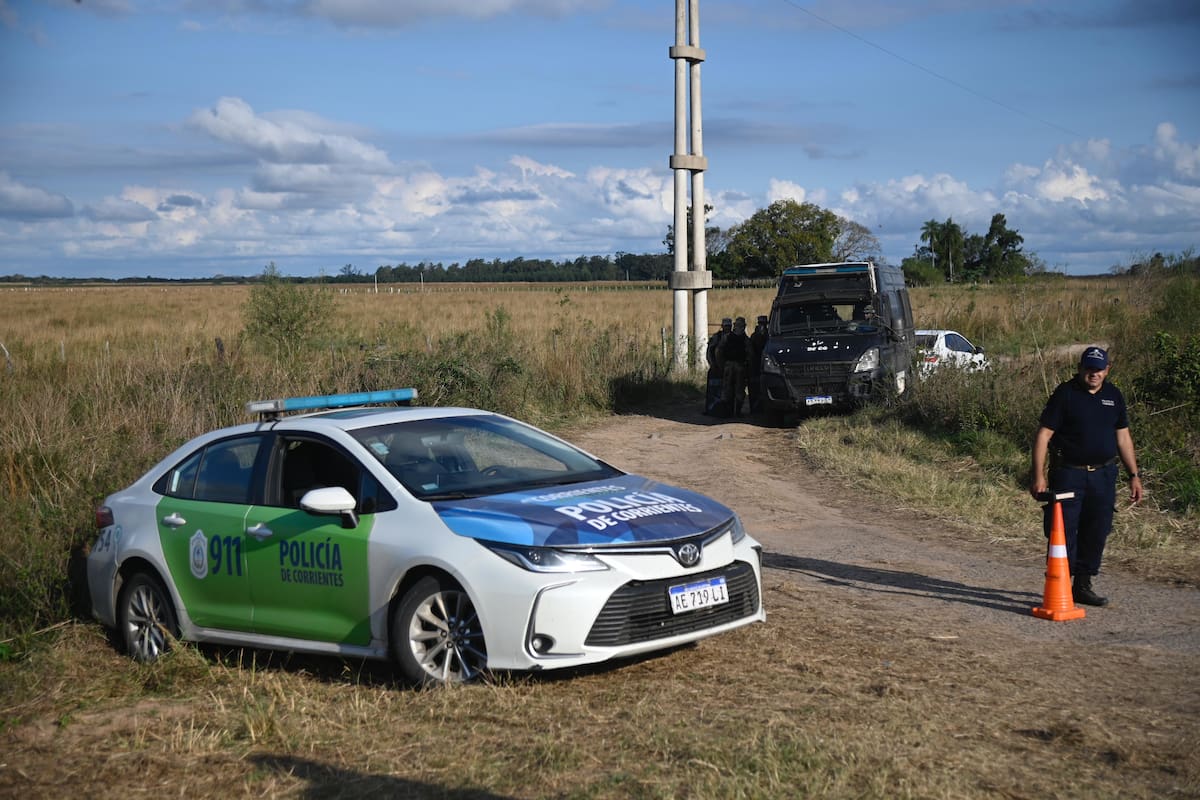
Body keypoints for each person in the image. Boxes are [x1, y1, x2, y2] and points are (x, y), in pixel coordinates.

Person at [1030, 346, 1143, 606]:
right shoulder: (1065, 394)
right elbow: (1043, 435)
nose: (1094, 374)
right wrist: (1038, 475)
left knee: (1097, 530)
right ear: (1080, 368)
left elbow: (1123, 436)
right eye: (1089, 368)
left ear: (1107, 370)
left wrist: (1133, 475)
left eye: (1099, 369)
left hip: (1104, 475)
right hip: (1069, 474)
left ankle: (1083, 584)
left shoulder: (1114, 396)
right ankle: (1059, 583)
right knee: (1063, 531)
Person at [719, 317, 751, 417]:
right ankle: (737, 412)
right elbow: (750, 354)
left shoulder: (727, 337)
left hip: (728, 366)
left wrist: (721, 365)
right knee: (739, 389)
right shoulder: (745, 339)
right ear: (744, 326)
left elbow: (718, 351)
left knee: (726, 388)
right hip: (740, 366)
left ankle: (726, 411)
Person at [748, 315, 769, 413]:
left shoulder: (769, 334)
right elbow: (750, 351)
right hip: (756, 365)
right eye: (761, 324)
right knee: (755, 388)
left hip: (766, 365)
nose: (762, 326)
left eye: (763, 324)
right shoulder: (754, 336)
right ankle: (756, 408)